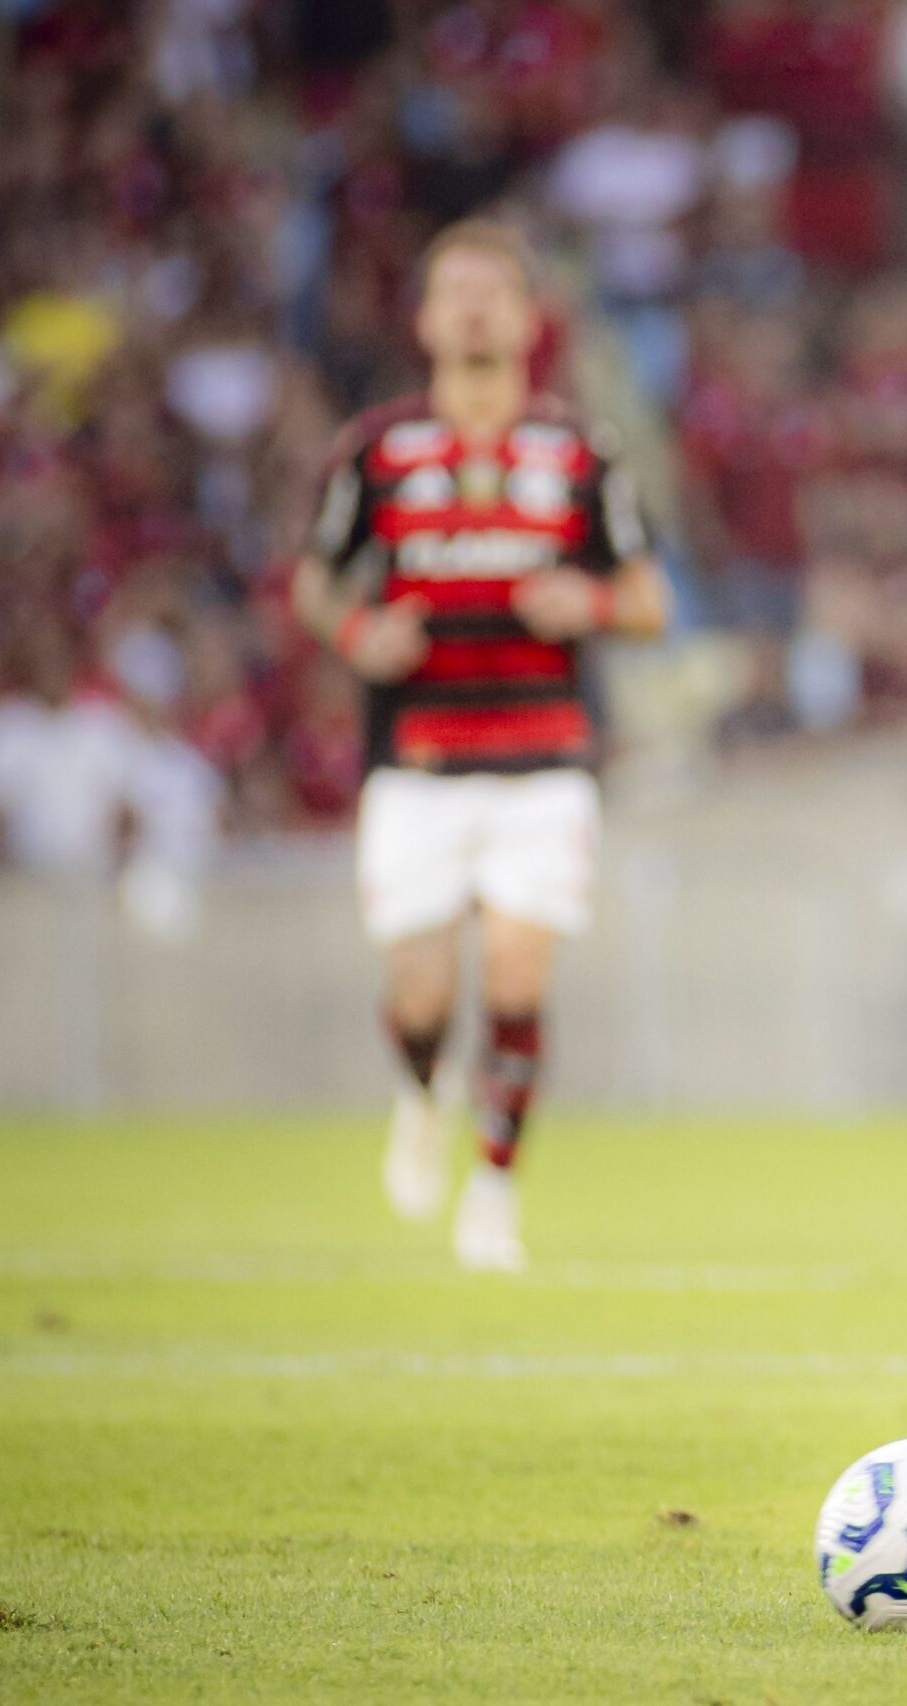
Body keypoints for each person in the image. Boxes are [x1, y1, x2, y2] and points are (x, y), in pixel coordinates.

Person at [291, 220, 671, 1270]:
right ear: (421, 320)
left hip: (541, 758)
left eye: (490, 291)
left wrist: (591, 600)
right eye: (451, 291)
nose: (470, 309)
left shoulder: (582, 453)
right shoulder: (375, 451)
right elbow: (314, 580)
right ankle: (421, 1089)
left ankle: (494, 1191)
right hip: (416, 760)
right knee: (421, 997)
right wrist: (357, 631)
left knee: (514, 976)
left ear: (528, 318)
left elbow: (649, 598)